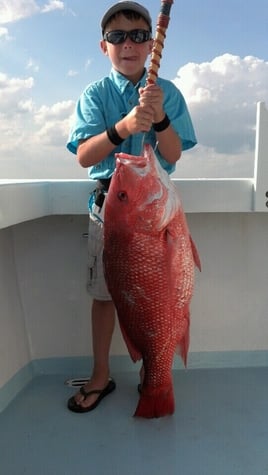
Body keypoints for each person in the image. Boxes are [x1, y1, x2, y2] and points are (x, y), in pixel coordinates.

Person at [66, 1, 197, 413]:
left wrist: (159, 119)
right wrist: (122, 127)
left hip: (152, 211)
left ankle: (153, 372)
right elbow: (85, 156)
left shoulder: (167, 92)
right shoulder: (95, 95)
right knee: (106, 296)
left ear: (151, 43)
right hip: (111, 211)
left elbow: (174, 151)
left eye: (140, 35)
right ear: (103, 46)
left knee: (165, 296)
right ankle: (101, 373)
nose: (128, 44)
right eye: (117, 36)